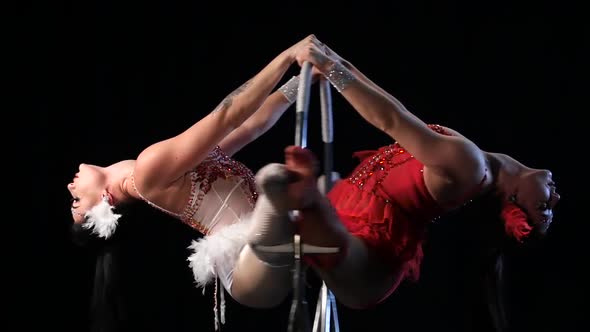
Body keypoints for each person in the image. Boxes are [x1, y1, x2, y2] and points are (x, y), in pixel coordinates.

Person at [245, 36, 561, 328]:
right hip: (353, 225)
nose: (556, 199)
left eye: (544, 206)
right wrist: (332, 60)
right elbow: (396, 108)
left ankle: (304, 198)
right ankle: (305, 202)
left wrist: (331, 67)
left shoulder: (470, 167)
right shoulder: (476, 160)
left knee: (323, 232)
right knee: (316, 217)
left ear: (513, 200)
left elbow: (390, 119)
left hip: (372, 257)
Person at [66, 34, 320, 330]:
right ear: (106, 202)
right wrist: (288, 55)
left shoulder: (166, 168)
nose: (70, 187)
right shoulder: (148, 173)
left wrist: (304, 80)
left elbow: (252, 124)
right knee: (276, 181)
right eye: (76, 201)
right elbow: (228, 115)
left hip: (260, 255)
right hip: (245, 267)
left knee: (299, 205)